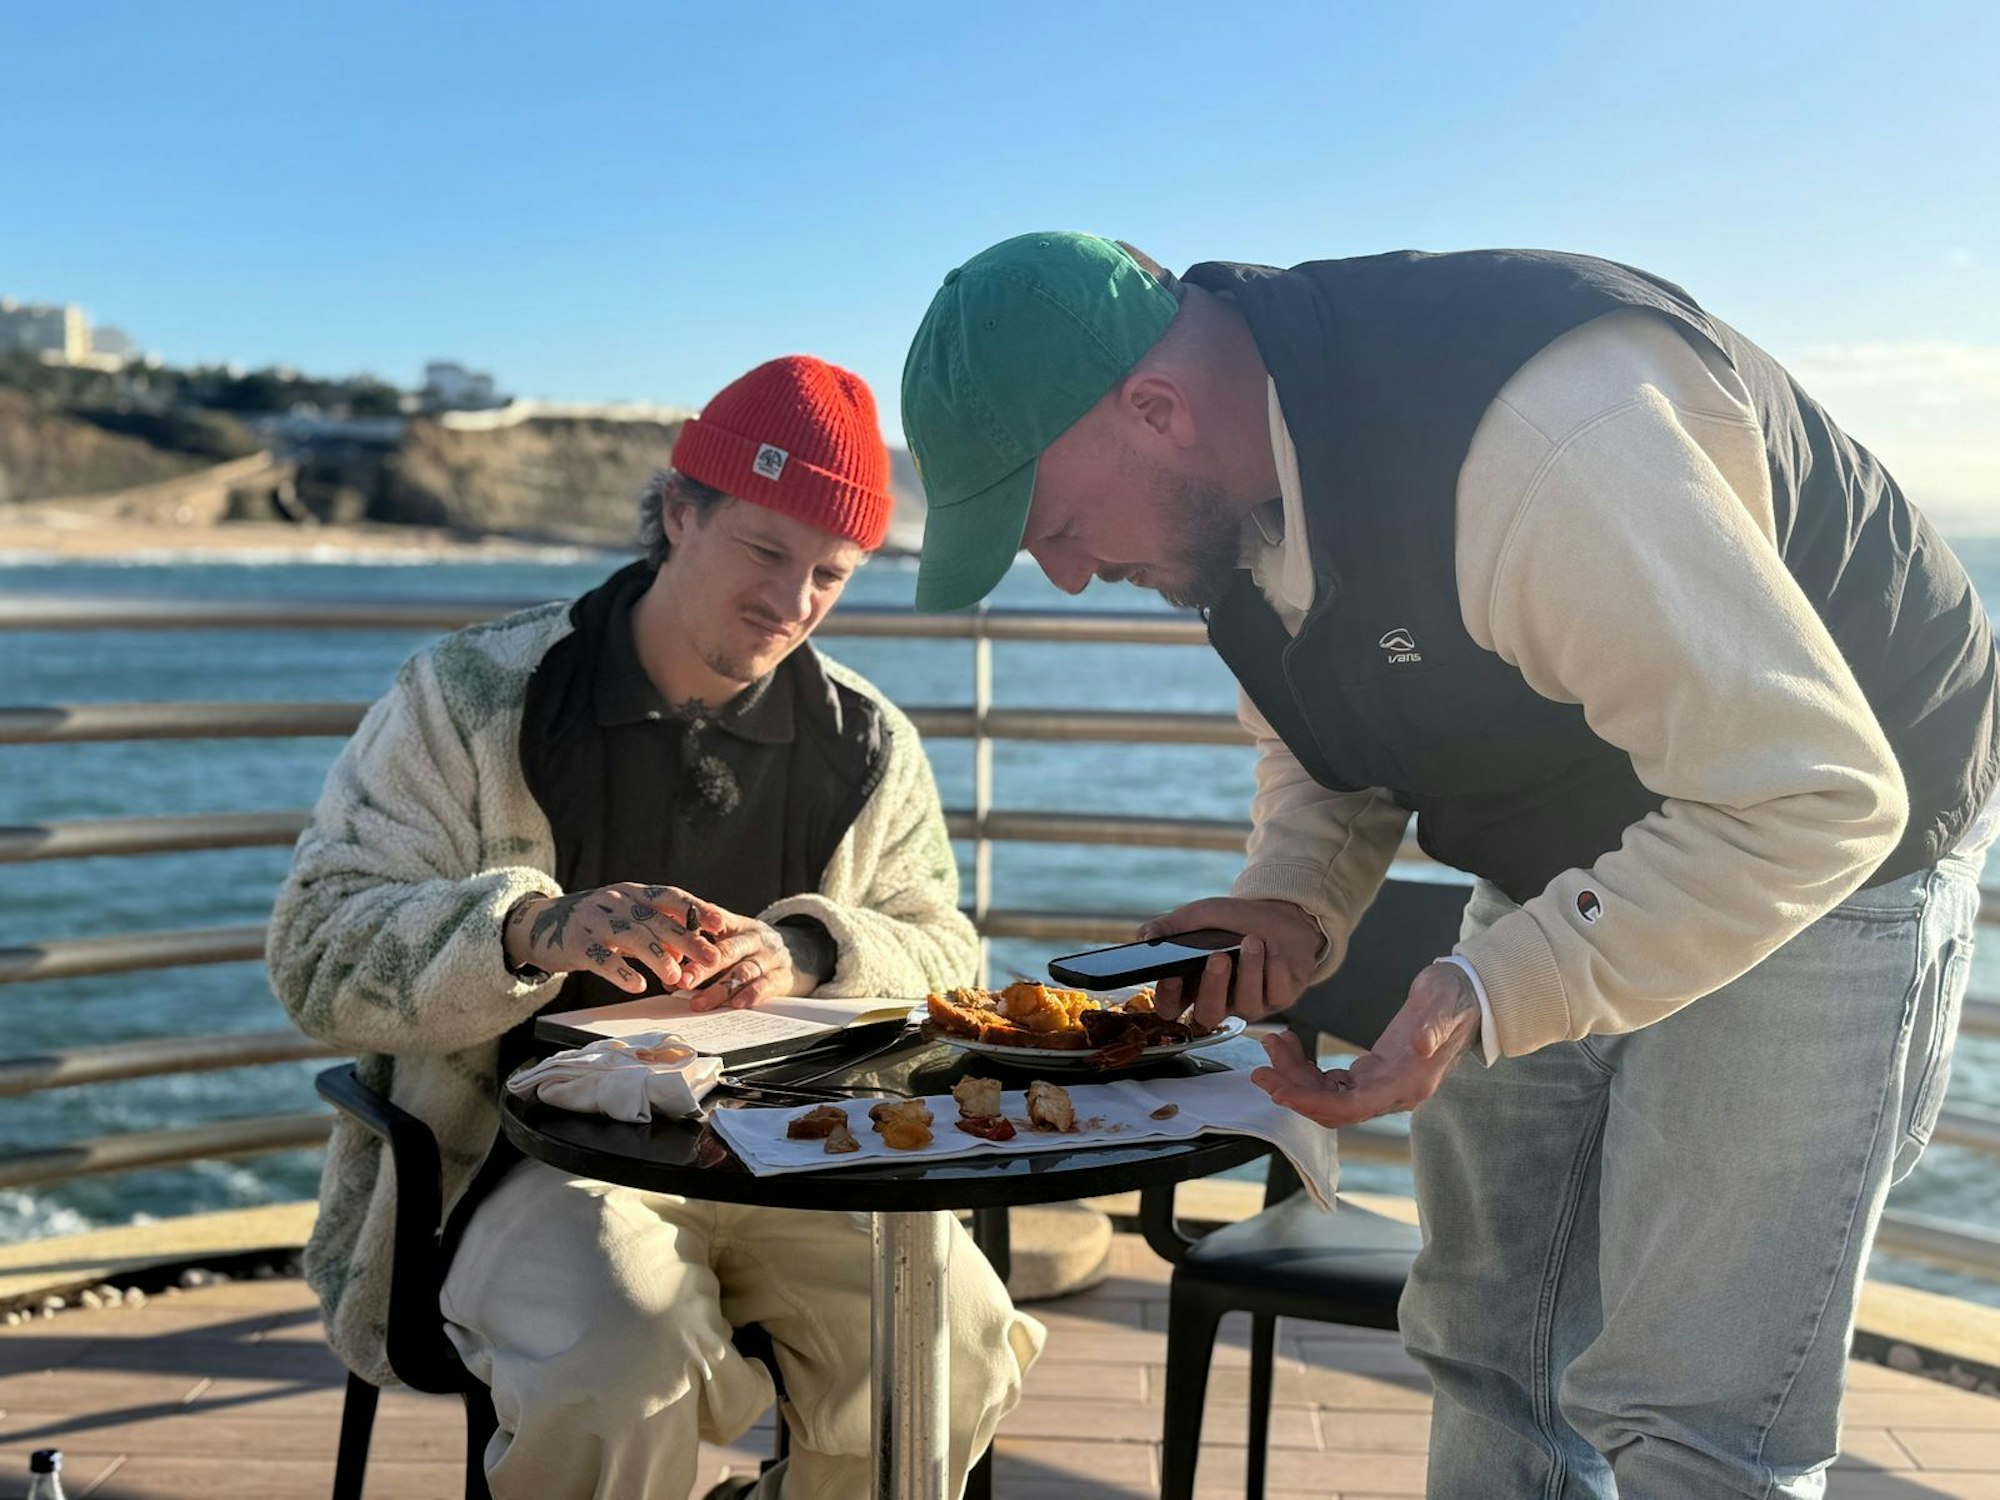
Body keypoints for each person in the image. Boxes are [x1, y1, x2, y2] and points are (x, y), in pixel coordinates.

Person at [900, 233, 1998, 1498]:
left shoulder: (1544, 436)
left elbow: (1806, 798)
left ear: (1156, 412)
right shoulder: (1217, 510)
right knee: (1487, 1345)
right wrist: (1289, 901)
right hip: (1571, 822)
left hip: (1822, 828)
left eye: (1058, 525)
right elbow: (1325, 746)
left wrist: (1488, 987)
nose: (1069, 575)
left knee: (1692, 1420)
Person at [271, 354, 1042, 1500]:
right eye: (764, 552)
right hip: (528, 1162)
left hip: (805, 1149)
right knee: (616, 1357)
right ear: (679, 513)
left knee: (956, 1353)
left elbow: (945, 955)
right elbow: (317, 951)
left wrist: (813, 951)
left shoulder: (869, 740)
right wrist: (530, 930)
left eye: (829, 574)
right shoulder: (465, 698)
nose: (791, 606)